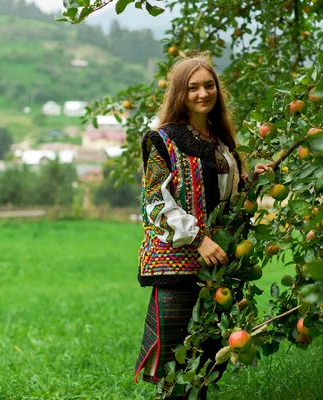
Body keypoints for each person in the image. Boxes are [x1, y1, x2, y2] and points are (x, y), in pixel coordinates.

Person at [134, 54, 268, 400]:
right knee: (177, 362)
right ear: (180, 93)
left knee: (208, 360)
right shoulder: (162, 140)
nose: (202, 93)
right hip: (178, 265)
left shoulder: (222, 144)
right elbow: (154, 203)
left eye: (209, 85)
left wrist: (251, 180)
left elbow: (229, 202)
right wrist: (198, 239)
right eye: (193, 87)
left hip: (219, 267)